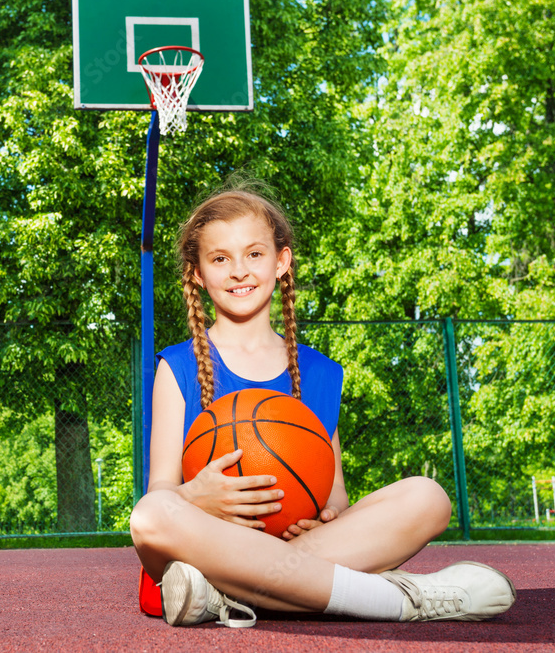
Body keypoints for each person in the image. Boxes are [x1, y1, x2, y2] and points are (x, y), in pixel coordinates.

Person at [129, 183, 516, 627]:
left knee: (428, 497)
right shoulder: (176, 366)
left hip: (282, 557)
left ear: (281, 262)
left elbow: (334, 498)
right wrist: (195, 495)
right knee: (151, 514)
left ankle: (221, 595)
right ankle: (398, 599)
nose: (239, 270)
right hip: (206, 543)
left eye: (254, 254)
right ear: (197, 273)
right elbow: (161, 490)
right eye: (220, 258)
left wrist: (325, 519)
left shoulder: (318, 373)